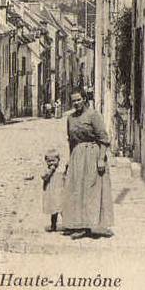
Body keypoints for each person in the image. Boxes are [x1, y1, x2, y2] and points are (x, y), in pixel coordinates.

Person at [61, 87, 114, 238]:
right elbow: (71, 141)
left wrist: (101, 159)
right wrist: (70, 160)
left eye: (79, 99)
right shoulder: (70, 119)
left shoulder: (93, 115)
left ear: (84, 99)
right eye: (73, 101)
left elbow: (103, 139)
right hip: (77, 156)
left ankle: (89, 226)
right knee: (76, 190)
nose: (76, 103)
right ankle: (77, 224)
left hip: (92, 155)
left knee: (91, 191)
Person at [42, 148, 63, 232]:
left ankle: (68, 225)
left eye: (53, 161)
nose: (51, 163)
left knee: (63, 209)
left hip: (60, 192)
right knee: (54, 211)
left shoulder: (60, 170)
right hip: (52, 193)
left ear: (58, 160)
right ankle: (53, 225)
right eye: (49, 161)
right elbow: (44, 177)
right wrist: (50, 171)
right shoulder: (46, 170)